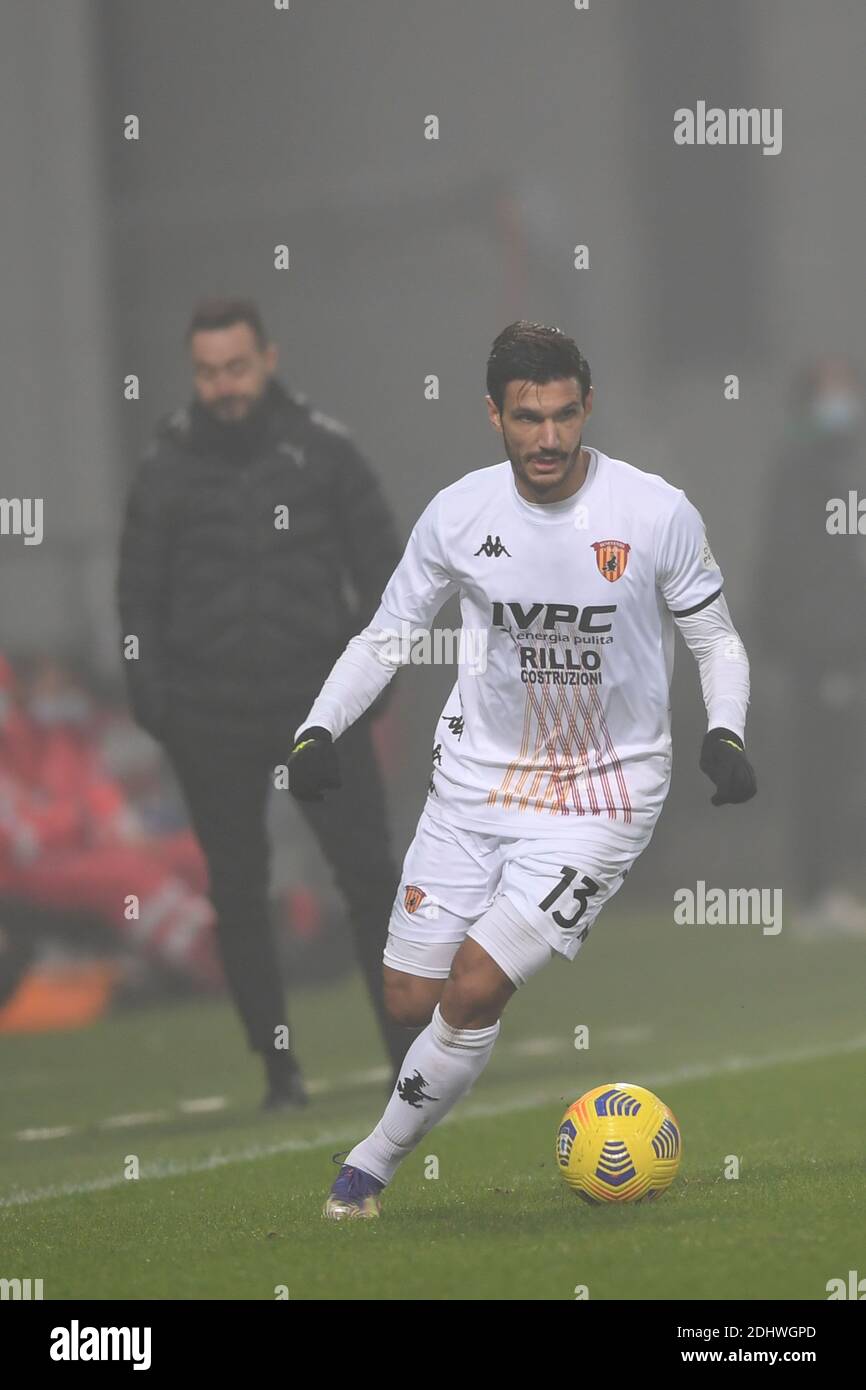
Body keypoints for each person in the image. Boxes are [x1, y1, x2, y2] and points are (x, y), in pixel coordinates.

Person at [286, 321, 757, 1218]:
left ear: (588, 408)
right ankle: (445, 1058)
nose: (549, 438)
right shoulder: (458, 515)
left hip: (605, 789)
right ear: (493, 415)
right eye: (528, 418)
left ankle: (369, 1167)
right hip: (475, 781)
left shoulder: (655, 512)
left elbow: (715, 638)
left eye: (565, 415)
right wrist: (319, 730)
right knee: (407, 994)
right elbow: (387, 635)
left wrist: (725, 732)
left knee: (470, 987)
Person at [117, 298, 407, 1109]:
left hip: (322, 702)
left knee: (371, 879)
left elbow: (392, 576)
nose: (224, 385)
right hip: (208, 714)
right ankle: (278, 1068)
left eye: (236, 367)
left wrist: (369, 682)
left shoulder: (325, 453)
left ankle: (407, 1059)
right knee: (237, 890)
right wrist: (156, 702)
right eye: (208, 371)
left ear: (269, 358)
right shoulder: (165, 468)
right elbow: (136, 596)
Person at [753, 356, 866, 937]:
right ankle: (817, 897)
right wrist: (828, 648)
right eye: (835, 391)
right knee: (821, 768)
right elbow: (799, 568)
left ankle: (822, 892)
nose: (846, 401)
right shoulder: (804, 470)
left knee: (834, 765)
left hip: (825, 645)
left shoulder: (824, 466)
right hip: (819, 649)